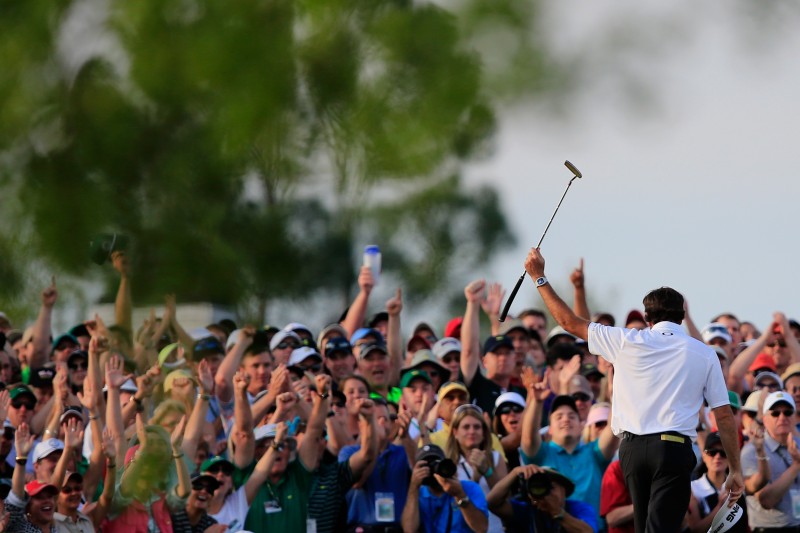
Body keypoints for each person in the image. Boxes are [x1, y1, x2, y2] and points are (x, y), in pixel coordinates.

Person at [522, 247, 743, 533]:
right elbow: (723, 415)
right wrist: (735, 468)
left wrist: (538, 277)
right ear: (681, 316)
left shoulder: (625, 340)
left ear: (648, 317)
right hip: (673, 449)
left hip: (632, 450)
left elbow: (568, 322)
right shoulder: (704, 353)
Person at [741, 390, 800, 529]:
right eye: (775, 413)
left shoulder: (799, 443)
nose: (782, 417)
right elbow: (766, 500)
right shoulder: (752, 450)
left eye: (787, 412)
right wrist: (796, 466)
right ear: (764, 419)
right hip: (769, 528)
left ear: (795, 417)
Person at [402, 444, 489, 533]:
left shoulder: (469, 488)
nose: (432, 471)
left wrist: (460, 495)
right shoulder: (417, 495)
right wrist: (414, 486)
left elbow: (482, 528)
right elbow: (409, 530)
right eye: (426, 467)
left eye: (436, 464)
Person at [486, 464, 596, 532]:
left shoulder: (579, 508)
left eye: (551, 487)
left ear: (564, 491)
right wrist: (514, 473)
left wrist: (557, 512)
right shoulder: (527, 510)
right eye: (539, 487)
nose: (546, 494)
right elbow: (491, 503)